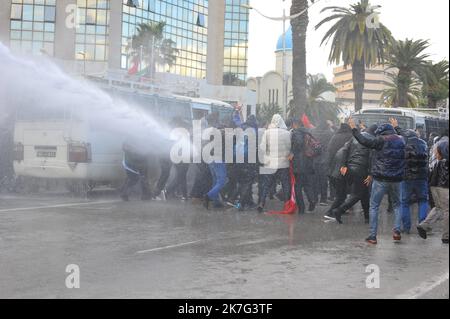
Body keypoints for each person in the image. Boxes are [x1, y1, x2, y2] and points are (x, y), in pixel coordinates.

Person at [348, 117, 406, 245]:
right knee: (397, 205)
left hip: (381, 179)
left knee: (374, 206)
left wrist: (354, 128)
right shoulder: (401, 140)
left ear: (381, 133)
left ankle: (373, 236)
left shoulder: (380, 140)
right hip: (397, 179)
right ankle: (397, 231)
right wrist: (396, 127)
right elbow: (403, 135)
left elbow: (363, 140)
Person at [330, 124, 376, 224]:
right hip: (362, 170)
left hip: (351, 167)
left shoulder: (355, 137)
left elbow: (345, 149)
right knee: (357, 194)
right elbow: (372, 158)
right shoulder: (372, 141)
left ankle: (367, 217)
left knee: (364, 194)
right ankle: (339, 210)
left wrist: (344, 165)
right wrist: (370, 173)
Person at [391, 119, 429, 234]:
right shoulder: (423, 144)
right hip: (422, 178)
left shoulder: (404, 145)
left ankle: (406, 227)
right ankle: (422, 225)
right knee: (422, 200)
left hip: (406, 178)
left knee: (404, 202)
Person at [257, 114, 292, 213]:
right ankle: (286, 204)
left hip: (270, 163)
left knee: (266, 184)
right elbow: (290, 148)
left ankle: (261, 203)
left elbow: (262, 148)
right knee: (285, 184)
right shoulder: (287, 133)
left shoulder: (267, 132)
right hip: (283, 164)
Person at [417, 140, 449, 244]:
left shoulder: (439, 162)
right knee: (447, 210)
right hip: (444, 188)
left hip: (434, 186)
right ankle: (446, 236)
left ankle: (424, 225)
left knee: (438, 208)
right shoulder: (446, 163)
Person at [324, 122, 353, 220]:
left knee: (340, 191)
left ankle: (339, 209)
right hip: (346, 167)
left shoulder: (334, 136)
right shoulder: (351, 136)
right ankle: (333, 211)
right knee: (345, 191)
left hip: (334, 166)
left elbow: (329, 151)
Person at [291, 118, 319, 214]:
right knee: (307, 184)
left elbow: (298, 144)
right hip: (308, 162)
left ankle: (301, 208)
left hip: (299, 163)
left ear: (295, 124)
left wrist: (293, 151)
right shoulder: (308, 132)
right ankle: (312, 200)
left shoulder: (296, 133)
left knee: (298, 186)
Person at [312, 121, 334, 206]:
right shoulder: (329, 133)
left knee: (315, 180)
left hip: (314, 159)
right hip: (324, 159)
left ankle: (315, 197)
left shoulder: (314, 132)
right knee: (323, 180)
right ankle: (323, 199)